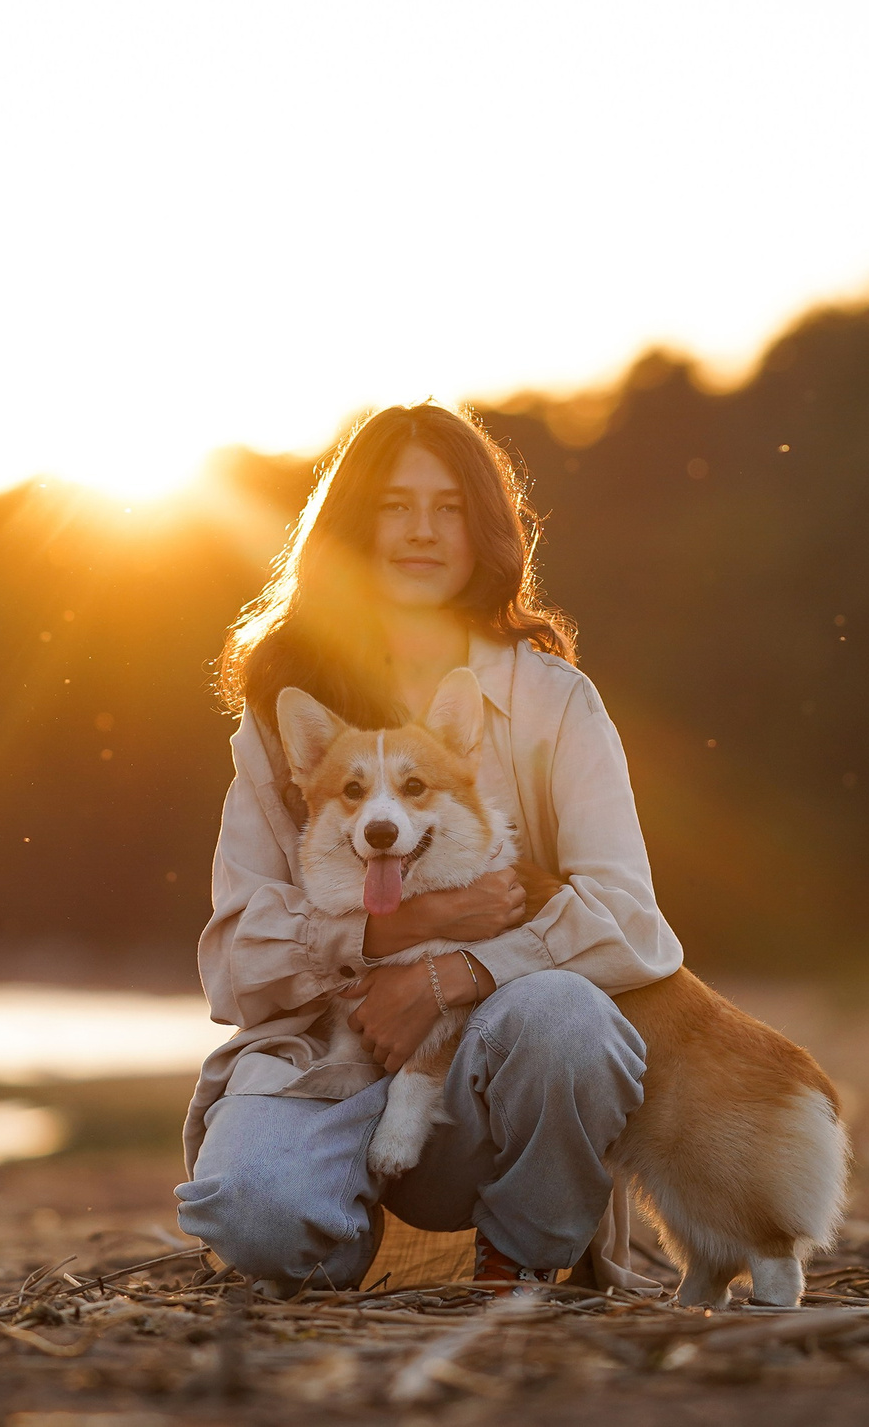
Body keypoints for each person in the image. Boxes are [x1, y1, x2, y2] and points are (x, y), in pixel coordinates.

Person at [175, 402, 684, 1290]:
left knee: (568, 1019)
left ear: (485, 526)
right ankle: (344, 1241)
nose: (420, 531)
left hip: (488, 1074)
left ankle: (521, 1252)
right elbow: (236, 956)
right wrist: (409, 928)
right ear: (352, 525)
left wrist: (455, 973)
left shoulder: (555, 701)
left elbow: (633, 927)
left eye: (448, 507)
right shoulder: (286, 705)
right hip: (325, 1058)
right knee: (246, 1207)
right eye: (394, 505)